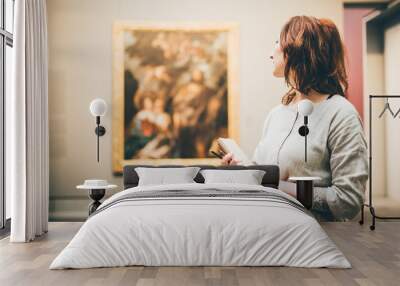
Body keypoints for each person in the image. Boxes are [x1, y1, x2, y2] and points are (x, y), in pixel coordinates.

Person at [222, 16, 368, 221]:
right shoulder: (276, 114)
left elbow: (348, 201)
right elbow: (263, 172)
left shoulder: (341, 114)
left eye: (276, 43)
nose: (270, 53)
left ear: (297, 50)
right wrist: (242, 172)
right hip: (265, 231)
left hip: (310, 240)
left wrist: (280, 187)